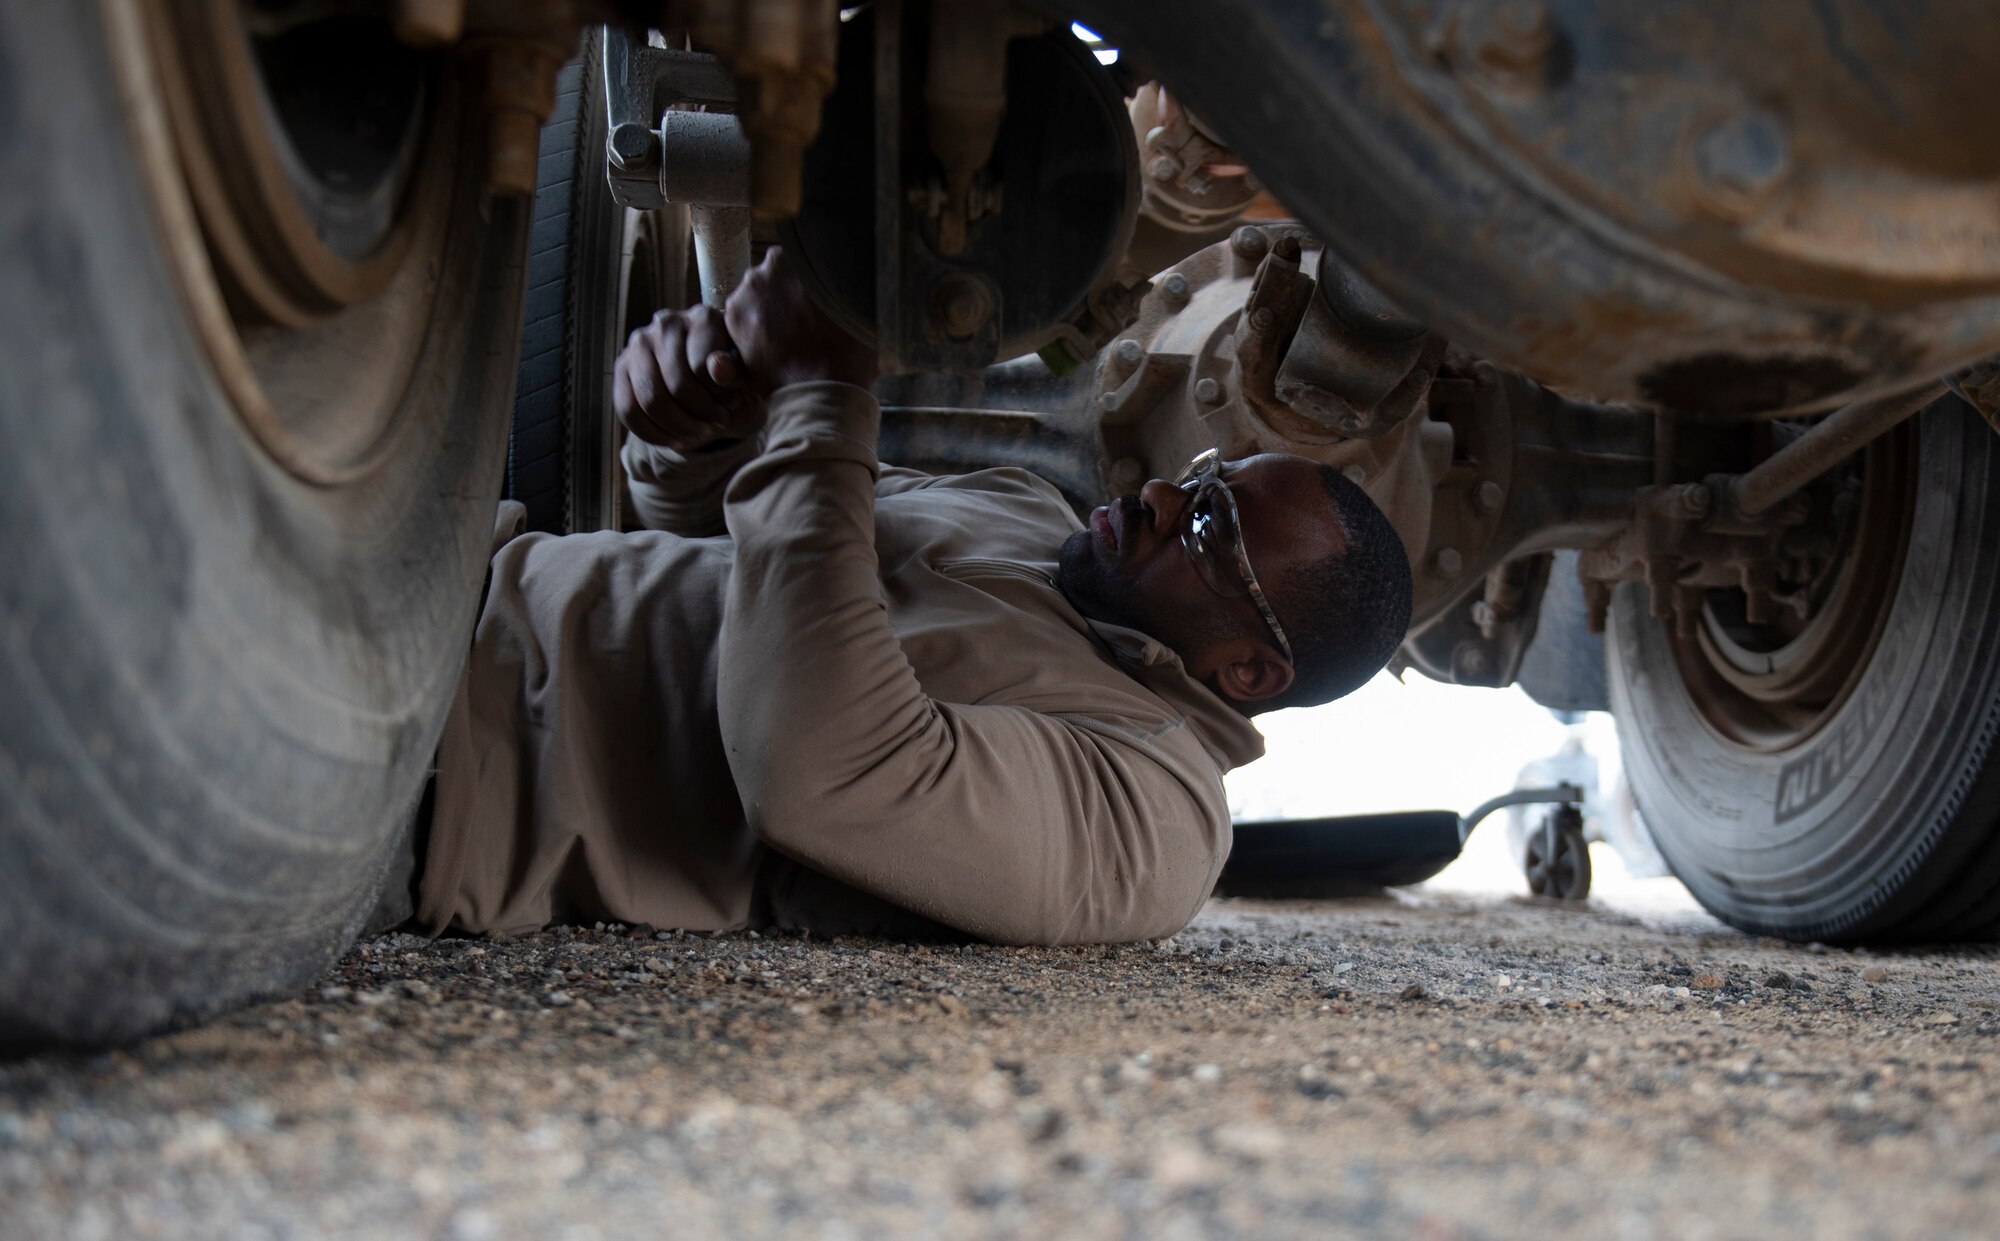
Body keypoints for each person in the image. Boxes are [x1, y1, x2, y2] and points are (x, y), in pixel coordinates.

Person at [397, 250, 1412, 945]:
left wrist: (822, 399)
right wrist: (690, 424)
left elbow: (823, 771)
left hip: (439, 776)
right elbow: (729, 529)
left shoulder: (1154, 817)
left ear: (1244, 669)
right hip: (448, 577)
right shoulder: (1025, 509)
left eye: (1206, 530)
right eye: (1199, 478)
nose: (1153, 494)